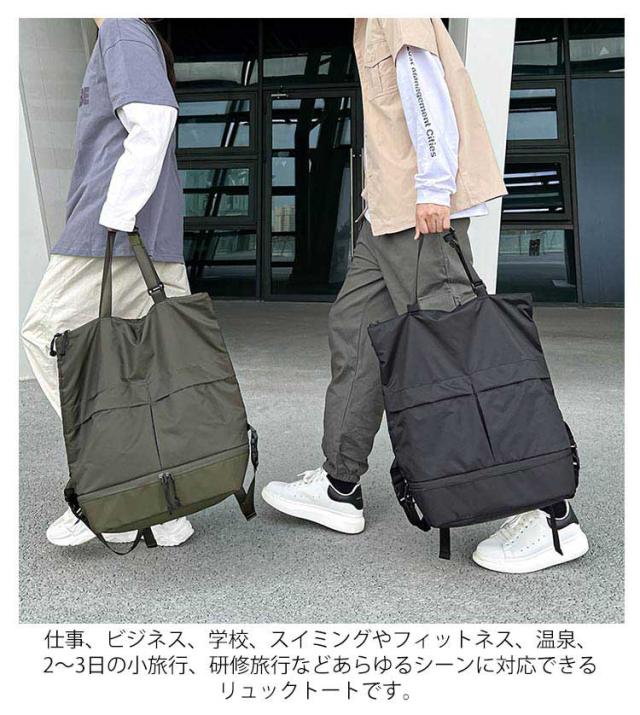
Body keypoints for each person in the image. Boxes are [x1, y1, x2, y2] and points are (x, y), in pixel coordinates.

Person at [262, 18, 589, 573]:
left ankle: (552, 516)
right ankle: (340, 486)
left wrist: (435, 189)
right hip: (384, 214)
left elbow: (424, 87)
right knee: (355, 333)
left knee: (468, 358)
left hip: (419, 215)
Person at [21, 18, 194, 547]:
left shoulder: (120, 25)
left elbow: (154, 119)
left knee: (49, 338)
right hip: (149, 235)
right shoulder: (131, 33)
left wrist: (116, 214)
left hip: (112, 234)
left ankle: (120, 482)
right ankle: (164, 506)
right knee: (153, 368)